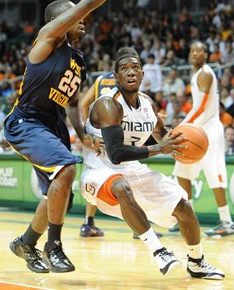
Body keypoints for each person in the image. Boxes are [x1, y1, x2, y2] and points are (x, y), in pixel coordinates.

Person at [6, 0, 145, 274]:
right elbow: (86, 5)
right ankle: (54, 244)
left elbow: (69, 103)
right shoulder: (47, 40)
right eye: (74, 17)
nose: (82, 20)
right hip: (27, 120)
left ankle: (26, 243)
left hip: (52, 124)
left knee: (60, 197)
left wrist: (81, 133)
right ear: (60, 22)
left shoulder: (76, 59)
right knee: (67, 169)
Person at [81, 54, 224, 279]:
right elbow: (116, 154)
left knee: (184, 205)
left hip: (132, 167)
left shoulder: (147, 103)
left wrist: (180, 145)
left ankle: (196, 262)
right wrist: (160, 149)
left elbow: (160, 135)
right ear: (116, 76)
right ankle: (158, 250)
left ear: (142, 74)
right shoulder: (109, 104)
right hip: (100, 169)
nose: (131, 72)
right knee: (120, 186)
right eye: (125, 69)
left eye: (135, 67)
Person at [173, 42, 234, 236]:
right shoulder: (196, 74)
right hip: (197, 129)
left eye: (199, 50)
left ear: (206, 55)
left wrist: (180, 127)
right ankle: (186, 218)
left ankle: (227, 222)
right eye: (192, 50)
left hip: (209, 130)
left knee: (213, 173)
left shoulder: (206, 73)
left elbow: (200, 108)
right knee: (182, 171)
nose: (195, 53)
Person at [78, 46, 139, 238]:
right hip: (118, 131)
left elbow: (83, 103)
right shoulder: (128, 79)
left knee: (97, 175)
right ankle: (138, 227)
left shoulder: (100, 79)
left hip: (98, 133)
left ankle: (88, 223)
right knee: (130, 175)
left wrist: (89, 129)